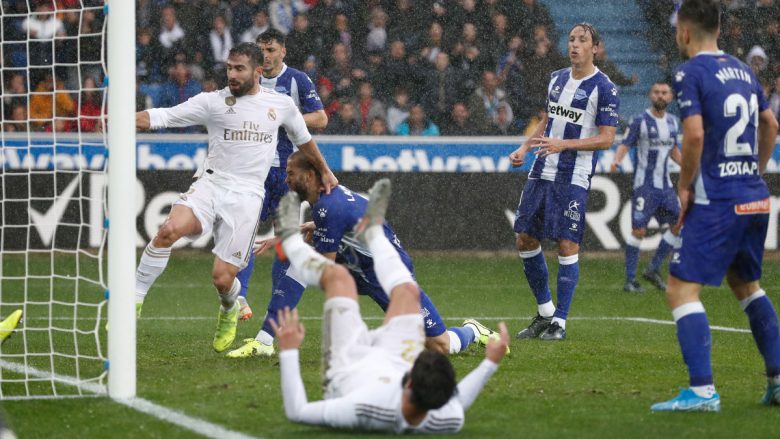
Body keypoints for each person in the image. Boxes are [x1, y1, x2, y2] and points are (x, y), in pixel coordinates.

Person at [133, 43, 337, 353]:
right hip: (211, 183)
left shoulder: (280, 105)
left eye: (239, 68)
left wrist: (325, 171)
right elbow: (163, 116)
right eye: (229, 67)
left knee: (222, 278)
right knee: (167, 231)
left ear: (257, 71)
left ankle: (229, 306)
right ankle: (133, 301)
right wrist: (123, 119)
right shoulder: (213, 102)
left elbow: (305, 140)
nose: (232, 74)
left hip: (248, 195)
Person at [273, 179, 510, 432]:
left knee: (337, 278)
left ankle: (291, 241)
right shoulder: (447, 418)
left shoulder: (363, 408)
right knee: (409, 292)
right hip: (392, 357)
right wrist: (489, 364)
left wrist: (288, 351)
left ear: (408, 383)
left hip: (351, 361)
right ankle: (373, 232)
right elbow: (459, 401)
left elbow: (298, 411)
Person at [226, 152, 502, 358]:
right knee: (297, 265)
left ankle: (473, 331)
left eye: (290, 174)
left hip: (392, 278)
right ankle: (264, 341)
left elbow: (328, 271)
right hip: (363, 270)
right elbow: (348, 220)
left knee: (438, 346)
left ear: (309, 177)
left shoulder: (327, 208)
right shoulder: (327, 200)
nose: (285, 180)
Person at [651, 0, 780, 411]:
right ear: (719, 30)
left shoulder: (689, 72)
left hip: (718, 199)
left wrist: (684, 187)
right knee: (747, 287)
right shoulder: (744, 70)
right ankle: (778, 380)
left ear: (685, 32)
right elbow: (771, 125)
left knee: (680, 289)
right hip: (753, 195)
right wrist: (754, 171)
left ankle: (702, 391)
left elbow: (693, 136)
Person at [510, 23, 619, 341]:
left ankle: (561, 322)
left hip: (574, 176)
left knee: (567, 244)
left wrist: (565, 145)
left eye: (582, 40)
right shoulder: (556, 78)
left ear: (595, 48)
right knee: (525, 239)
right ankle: (545, 313)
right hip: (542, 170)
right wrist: (526, 146)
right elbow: (549, 120)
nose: (575, 45)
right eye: (571, 39)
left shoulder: (605, 87)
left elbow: (606, 139)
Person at [230, 29, 329, 326]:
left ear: (283, 51)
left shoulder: (296, 80)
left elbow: (321, 118)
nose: (267, 55)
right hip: (256, 170)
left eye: (271, 49)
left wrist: (282, 116)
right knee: (243, 233)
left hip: (288, 174)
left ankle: (278, 310)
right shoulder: (250, 80)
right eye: (262, 50)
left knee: (285, 240)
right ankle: (239, 297)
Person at [610, 82, 682, 293]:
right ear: (651, 95)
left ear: (670, 97)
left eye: (664, 93)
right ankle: (630, 280)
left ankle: (653, 268)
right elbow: (625, 144)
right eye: (657, 92)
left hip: (666, 187)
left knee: (678, 224)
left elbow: (673, 149)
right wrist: (616, 160)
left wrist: (689, 167)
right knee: (639, 230)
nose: (660, 96)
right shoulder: (640, 121)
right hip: (645, 186)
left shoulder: (673, 122)